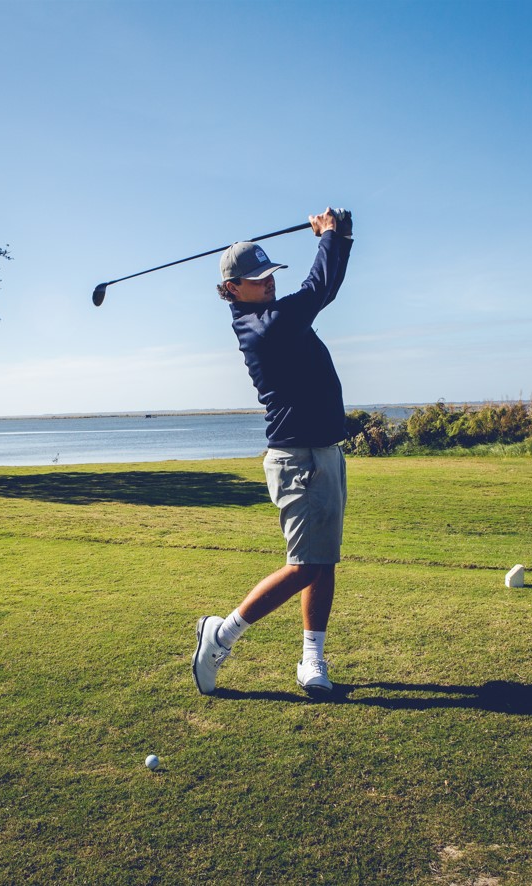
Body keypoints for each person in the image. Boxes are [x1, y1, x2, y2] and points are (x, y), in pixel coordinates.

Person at [193, 207, 354, 696]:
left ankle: (312, 661)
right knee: (304, 563)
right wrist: (330, 237)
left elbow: (316, 288)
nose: (267, 283)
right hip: (294, 459)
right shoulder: (262, 327)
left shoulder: (276, 315)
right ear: (231, 289)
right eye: (256, 279)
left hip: (325, 453)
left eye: (269, 275)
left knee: (323, 561)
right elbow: (320, 288)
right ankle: (221, 635)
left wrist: (339, 235)